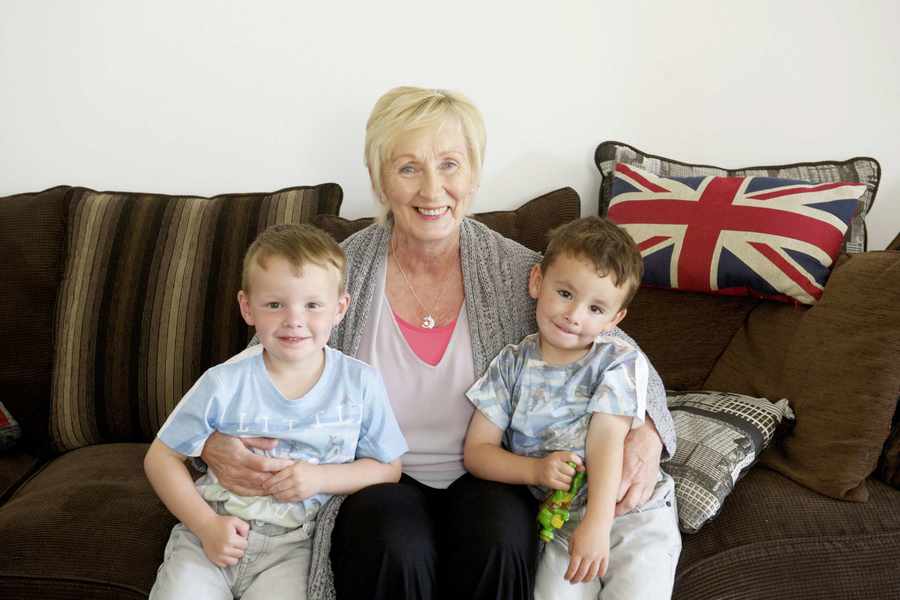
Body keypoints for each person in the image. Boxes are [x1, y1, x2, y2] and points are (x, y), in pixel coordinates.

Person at [200, 86, 677, 600]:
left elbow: (620, 351)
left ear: (472, 174)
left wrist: (648, 432)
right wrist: (210, 442)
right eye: (408, 168)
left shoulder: (519, 271)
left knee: (499, 535)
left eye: (449, 165)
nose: (433, 190)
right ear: (380, 179)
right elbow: (260, 360)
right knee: (389, 540)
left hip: (491, 472)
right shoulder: (338, 271)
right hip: (375, 478)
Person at [144, 224, 407, 599]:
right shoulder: (223, 382)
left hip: (295, 550)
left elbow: (388, 468)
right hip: (211, 536)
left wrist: (319, 479)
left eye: (312, 304)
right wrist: (205, 526)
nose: (294, 319)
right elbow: (161, 457)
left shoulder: (360, 383)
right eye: (275, 304)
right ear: (247, 308)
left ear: (340, 308)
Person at [464, 217, 681, 600]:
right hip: (562, 523)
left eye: (596, 308)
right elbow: (477, 452)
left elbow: (606, 440)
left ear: (615, 320)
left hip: (632, 514)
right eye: (565, 293)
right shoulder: (510, 365)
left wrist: (597, 524)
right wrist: (534, 469)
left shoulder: (618, 361)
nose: (575, 314)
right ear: (537, 282)